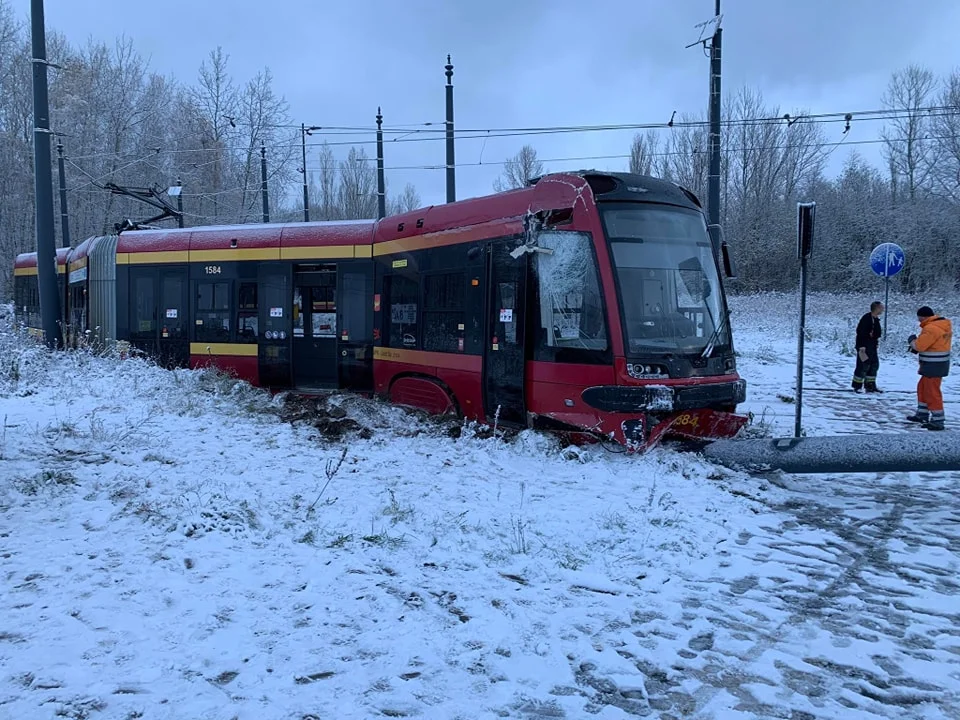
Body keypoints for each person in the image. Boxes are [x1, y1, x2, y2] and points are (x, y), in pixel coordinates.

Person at [906, 305, 952, 431]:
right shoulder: (942, 325)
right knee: (922, 387)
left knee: (932, 392)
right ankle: (922, 414)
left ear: (923, 316)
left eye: (919, 317)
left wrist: (912, 341)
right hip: (937, 364)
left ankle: (938, 421)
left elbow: (919, 346)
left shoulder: (931, 328)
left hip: (933, 365)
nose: (919, 320)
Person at [852, 301, 884, 393]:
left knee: (874, 365)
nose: (883, 310)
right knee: (863, 366)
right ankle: (857, 386)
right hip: (864, 346)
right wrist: (861, 346)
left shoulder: (876, 319)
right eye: (881, 308)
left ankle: (870, 385)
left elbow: (876, 334)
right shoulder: (866, 319)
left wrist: (875, 342)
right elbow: (861, 333)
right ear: (876, 308)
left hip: (872, 346)